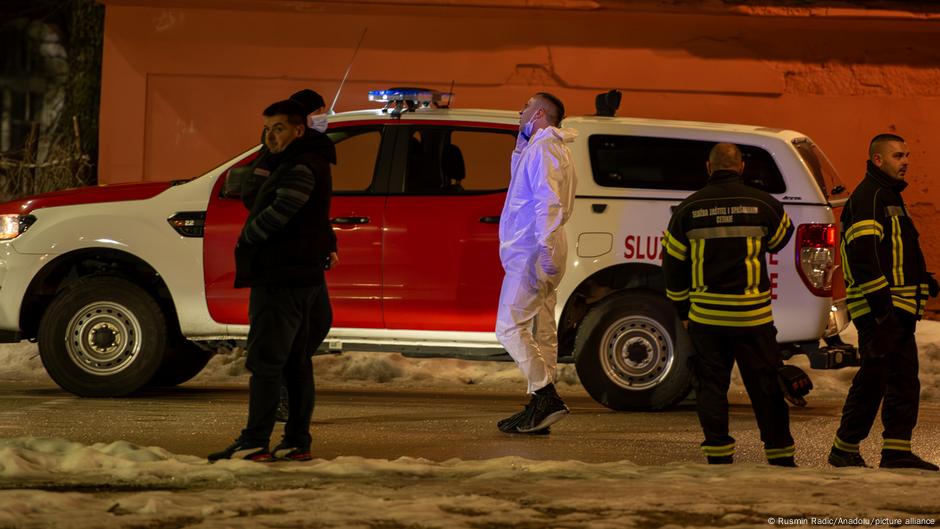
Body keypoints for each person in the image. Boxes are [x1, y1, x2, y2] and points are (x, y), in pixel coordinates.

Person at [209, 90, 336, 462]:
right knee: (296, 363)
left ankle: (254, 441)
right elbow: (256, 192)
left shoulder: (300, 165)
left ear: (299, 130)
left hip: (281, 277)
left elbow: (282, 209)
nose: (270, 136)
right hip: (301, 276)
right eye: (266, 129)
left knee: (266, 364)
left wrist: (249, 235)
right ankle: (297, 440)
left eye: (278, 129)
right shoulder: (302, 158)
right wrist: (268, 154)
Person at [662, 143, 797, 466]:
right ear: (741, 167)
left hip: (707, 319)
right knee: (766, 389)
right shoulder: (763, 203)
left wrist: (683, 311)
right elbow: (781, 239)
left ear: (709, 168)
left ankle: (719, 456)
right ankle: (780, 456)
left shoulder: (687, 209)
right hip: (753, 318)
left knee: (711, 388)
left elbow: (672, 265)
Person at [828, 133, 939, 471]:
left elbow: (898, 247)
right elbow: (864, 256)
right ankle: (844, 448)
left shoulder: (886, 194)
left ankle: (896, 451)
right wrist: (881, 310)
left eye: (906, 155)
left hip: (896, 306)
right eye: (897, 155)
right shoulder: (870, 196)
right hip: (882, 309)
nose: (905, 161)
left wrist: (923, 279)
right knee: (875, 377)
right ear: (878, 160)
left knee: (904, 377)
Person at [495, 92, 577, 434]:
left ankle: (546, 395)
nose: (519, 109)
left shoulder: (545, 149)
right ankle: (539, 409)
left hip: (533, 248)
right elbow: (523, 184)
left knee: (509, 327)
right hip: (540, 247)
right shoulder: (548, 147)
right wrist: (519, 144)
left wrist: (542, 246)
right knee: (542, 327)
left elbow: (547, 200)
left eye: (525, 105)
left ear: (539, 113)